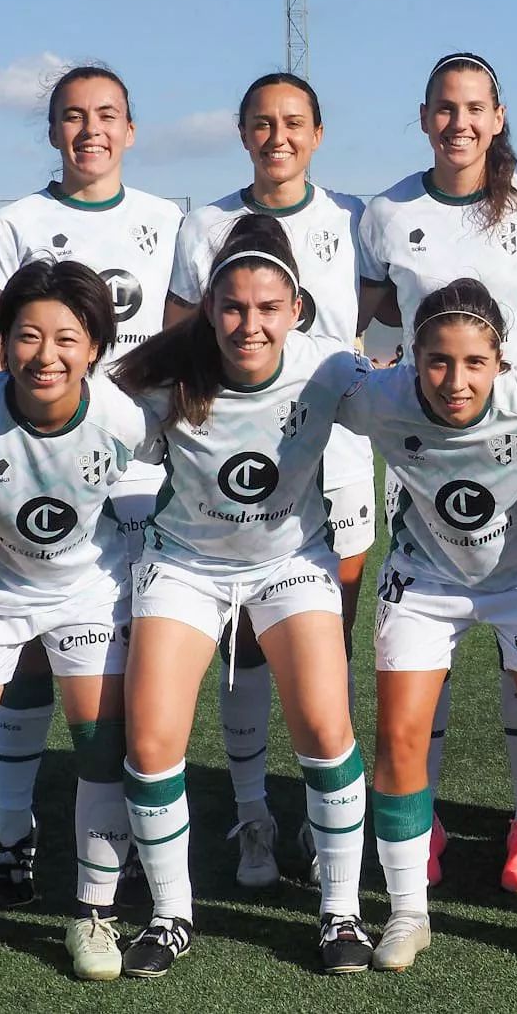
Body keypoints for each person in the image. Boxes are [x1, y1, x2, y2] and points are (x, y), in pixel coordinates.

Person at [110, 213, 374, 977]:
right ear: (208, 306)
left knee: (327, 728)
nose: (248, 324)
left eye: (266, 308)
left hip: (290, 560)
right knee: (153, 741)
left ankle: (340, 910)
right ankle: (169, 916)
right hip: (185, 562)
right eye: (232, 306)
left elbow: (411, 406)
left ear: (296, 307)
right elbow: (77, 421)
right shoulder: (164, 373)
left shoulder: (329, 368)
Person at [0, 261, 158, 991]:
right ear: (5, 339)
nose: (46, 355)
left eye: (67, 339)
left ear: (95, 347)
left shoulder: (121, 417)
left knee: (103, 744)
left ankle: (93, 912)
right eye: (28, 336)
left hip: (89, 592)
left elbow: (181, 472)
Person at [0, 64, 180, 909]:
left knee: (111, 674)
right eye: (72, 117)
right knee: (19, 665)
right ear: (53, 130)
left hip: (132, 479)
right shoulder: (19, 220)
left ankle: (111, 846)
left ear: (131, 128)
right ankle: (14, 839)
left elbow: (181, 344)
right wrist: (7, 444)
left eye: (106, 115)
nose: (90, 130)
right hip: (25, 471)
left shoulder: (167, 220)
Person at [333, 278, 517, 971]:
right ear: (410, 357)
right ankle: (406, 911)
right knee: (399, 735)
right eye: (438, 360)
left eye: (474, 362)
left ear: (501, 362)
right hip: (427, 577)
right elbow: (298, 376)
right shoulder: (378, 398)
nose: (455, 379)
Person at [359, 51, 517, 893]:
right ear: (423, 116)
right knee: (419, 659)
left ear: (499, 115)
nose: (460, 123)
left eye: (475, 108)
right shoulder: (387, 212)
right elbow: (369, 316)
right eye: (446, 108)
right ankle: (425, 822)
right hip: (426, 446)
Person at [164, 72, 373, 891]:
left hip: (339, 461)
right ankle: (253, 816)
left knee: (322, 652)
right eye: (262, 122)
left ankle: (327, 831)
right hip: (235, 473)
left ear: (318, 133)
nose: (277, 136)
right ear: (241, 131)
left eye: (293, 123)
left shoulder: (356, 219)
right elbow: (182, 343)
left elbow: (385, 314)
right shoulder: (204, 224)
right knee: (245, 650)